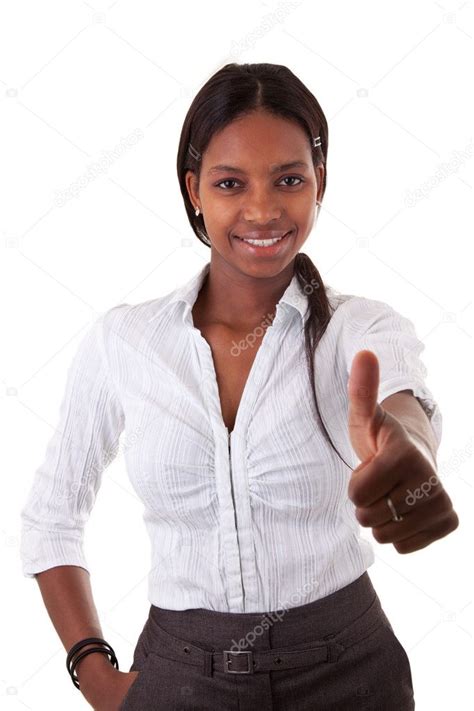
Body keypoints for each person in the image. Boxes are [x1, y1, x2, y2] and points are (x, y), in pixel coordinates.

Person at [20, 62, 459, 711]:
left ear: (319, 184)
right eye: (231, 183)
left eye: (288, 179)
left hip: (350, 673)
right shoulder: (126, 343)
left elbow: (400, 396)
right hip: (180, 674)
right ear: (194, 189)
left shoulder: (357, 326)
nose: (262, 208)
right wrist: (96, 673)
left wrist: (407, 447)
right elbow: (51, 517)